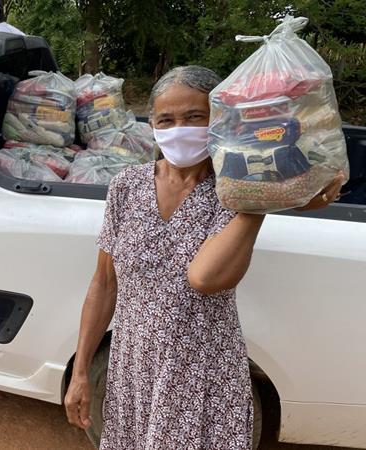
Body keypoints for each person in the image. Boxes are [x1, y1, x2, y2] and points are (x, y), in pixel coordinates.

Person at [63, 65, 343, 448]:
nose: (180, 127)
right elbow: (104, 283)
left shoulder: (234, 191)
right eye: (166, 118)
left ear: (220, 121)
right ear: (153, 124)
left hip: (202, 374)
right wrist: (81, 370)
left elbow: (207, 278)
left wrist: (261, 196)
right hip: (134, 371)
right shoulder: (126, 188)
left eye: (195, 116)